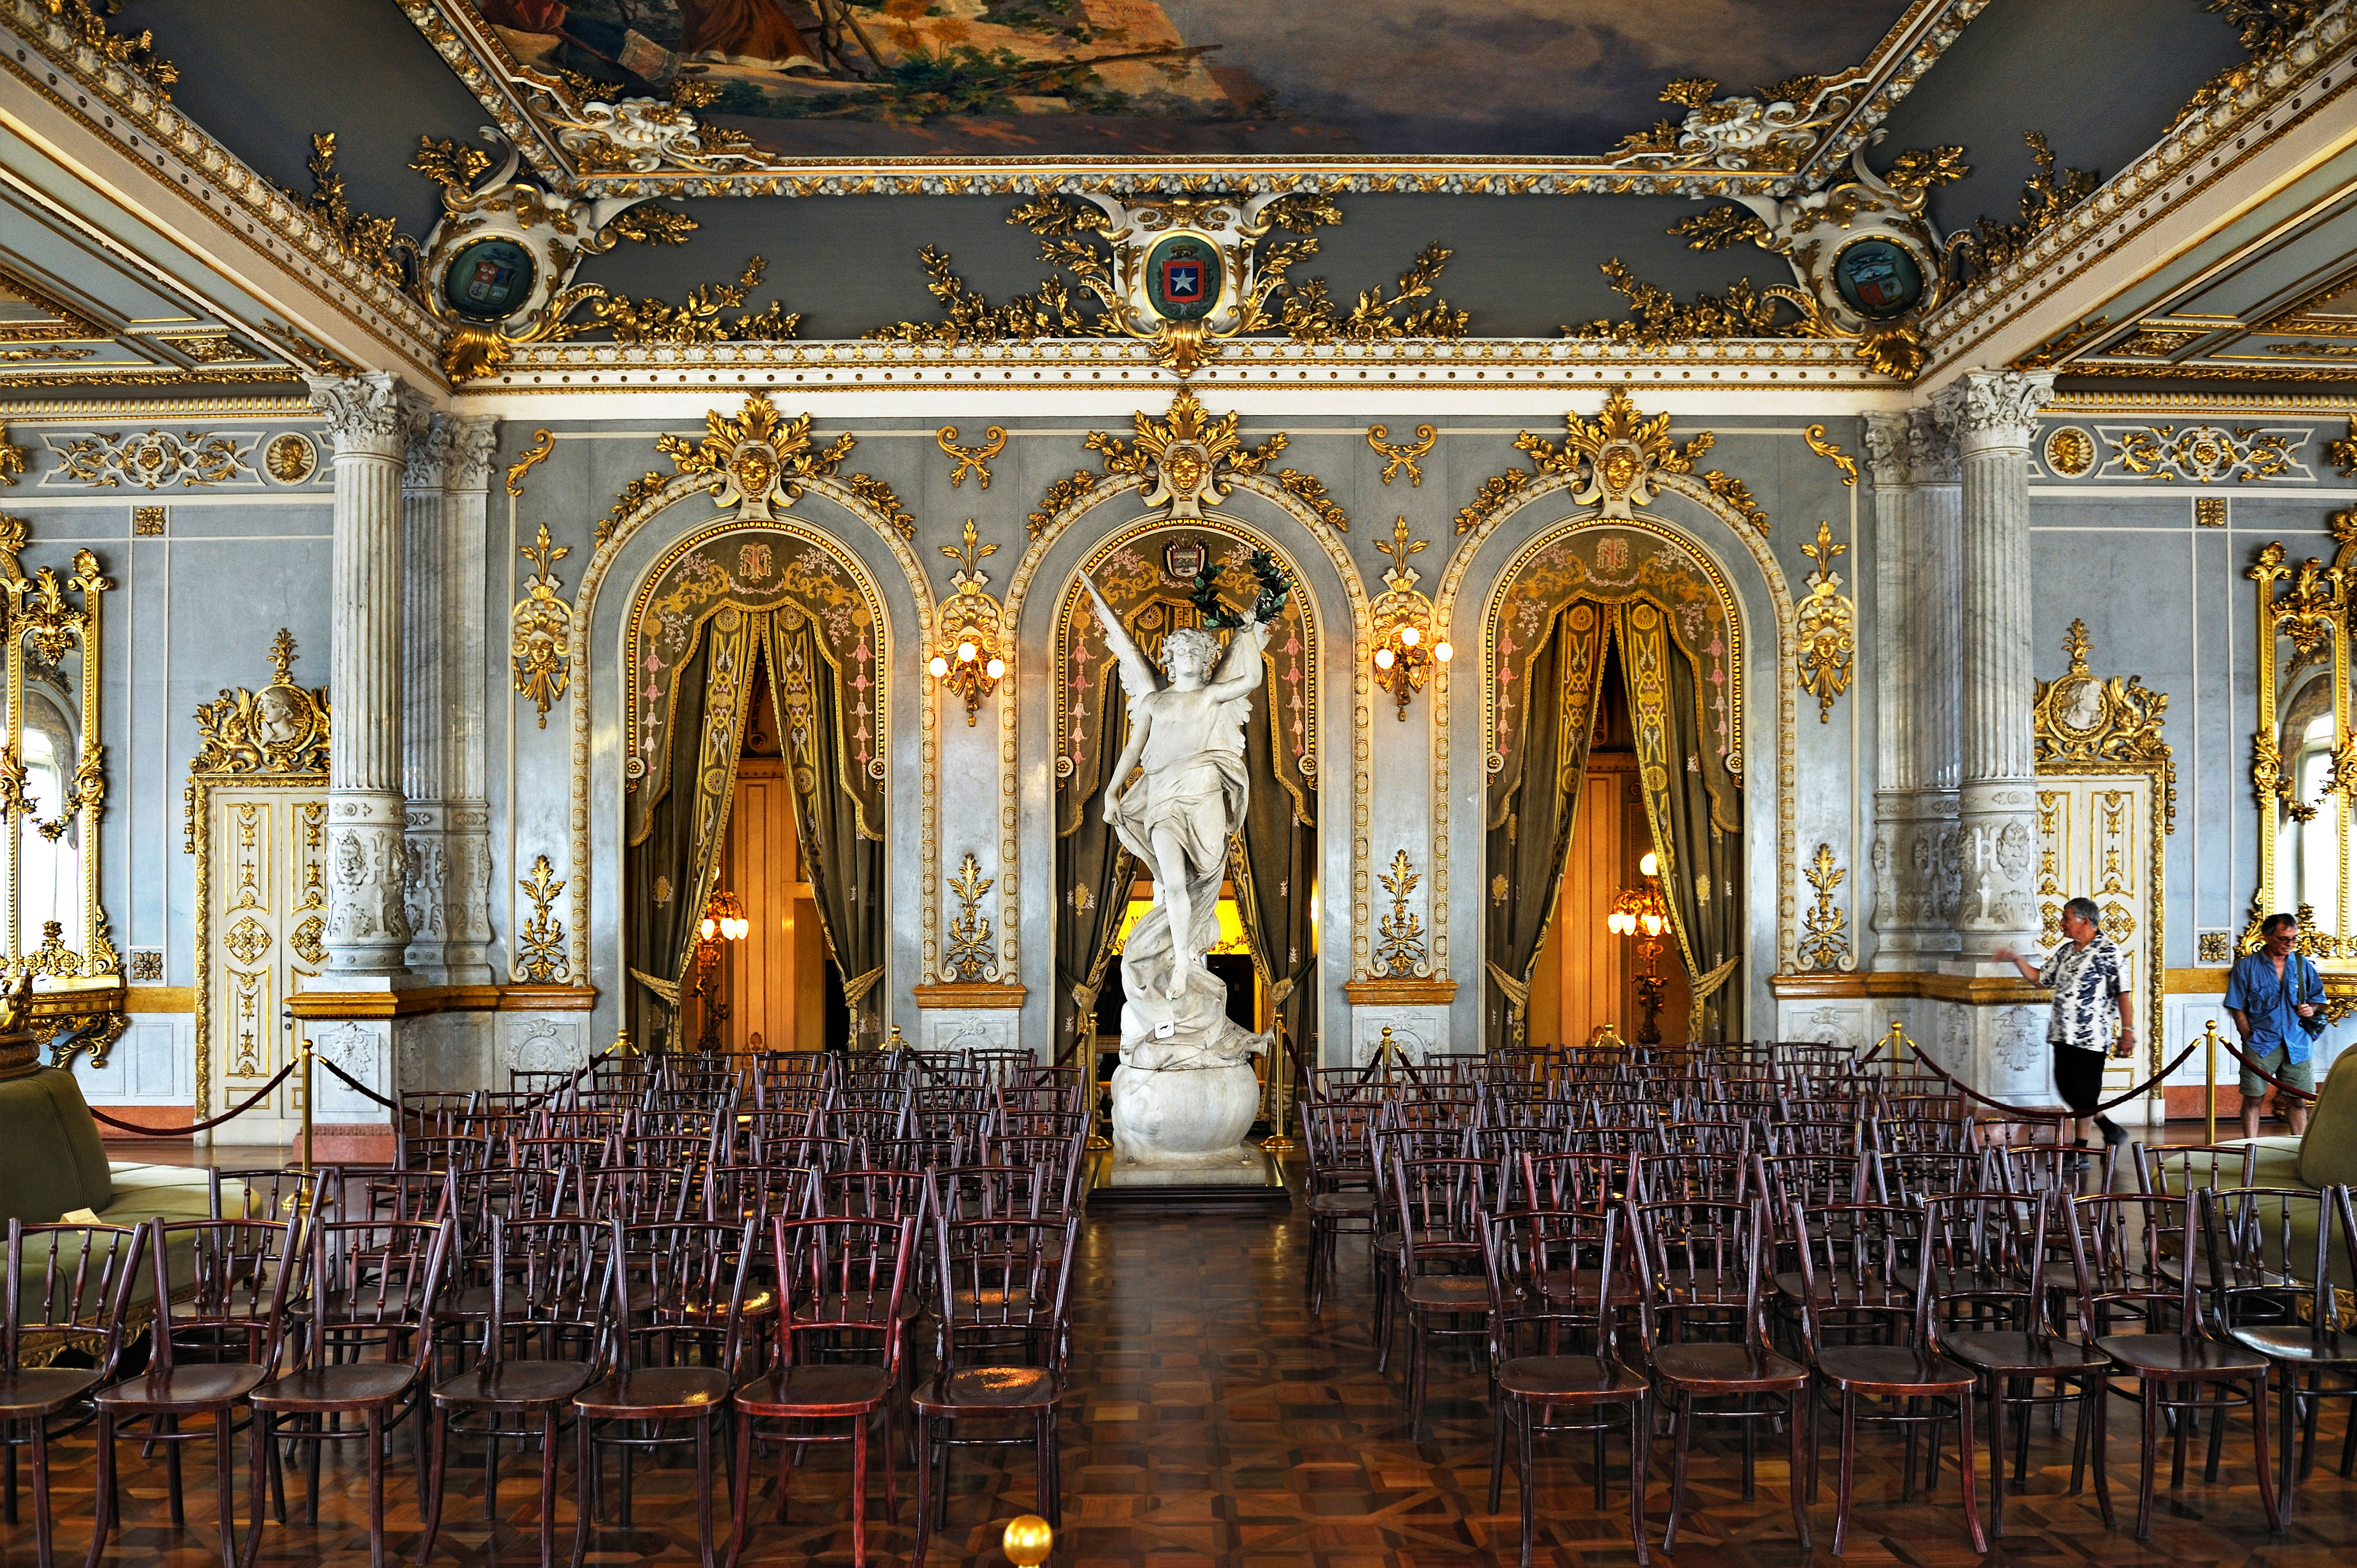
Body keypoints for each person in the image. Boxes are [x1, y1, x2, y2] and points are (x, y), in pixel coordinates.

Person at [1996, 896, 2135, 1147]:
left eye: (2066, 918)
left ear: (2084, 921)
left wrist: (2127, 1031)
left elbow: (2123, 993)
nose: (2062, 923)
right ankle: (2109, 1128)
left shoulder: (2109, 951)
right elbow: (2041, 979)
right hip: (2062, 1034)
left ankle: (2081, 1148)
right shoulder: (2067, 952)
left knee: (2085, 1093)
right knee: (2067, 1089)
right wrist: (2018, 960)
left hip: (2091, 1037)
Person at [2224, 912, 2319, 1139]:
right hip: (2261, 1043)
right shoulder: (2246, 967)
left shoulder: (2302, 964)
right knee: (2254, 1097)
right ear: (2266, 936)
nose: (2290, 944)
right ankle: (2251, 1147)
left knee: (2297, 1100)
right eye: (2283, 939)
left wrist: (2311, 1009)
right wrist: (2247, 1035)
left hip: (2297, 1041)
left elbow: (2317, 997)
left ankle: (2298, 1148)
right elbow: (2237, 1006)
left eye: (2294, 939)